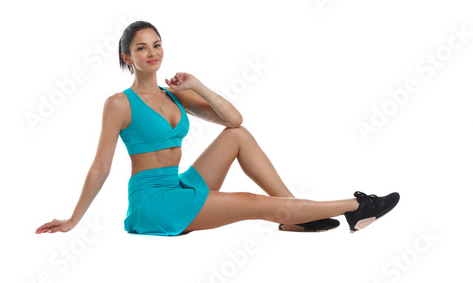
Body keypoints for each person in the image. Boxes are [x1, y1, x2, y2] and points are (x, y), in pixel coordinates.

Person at [35, 21, 399, 236]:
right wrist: (72, 220)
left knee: (237, 137)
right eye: (141, 48)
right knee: (254, 204)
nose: (152, 53)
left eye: (157, 45)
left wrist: (198, 86)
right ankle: (356, 206)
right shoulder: (118, 103)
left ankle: (294, 217)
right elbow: (100, 166)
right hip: (154, 202)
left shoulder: (174, 94)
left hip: (179, 186)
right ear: (127, 57)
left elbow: (234, 121)